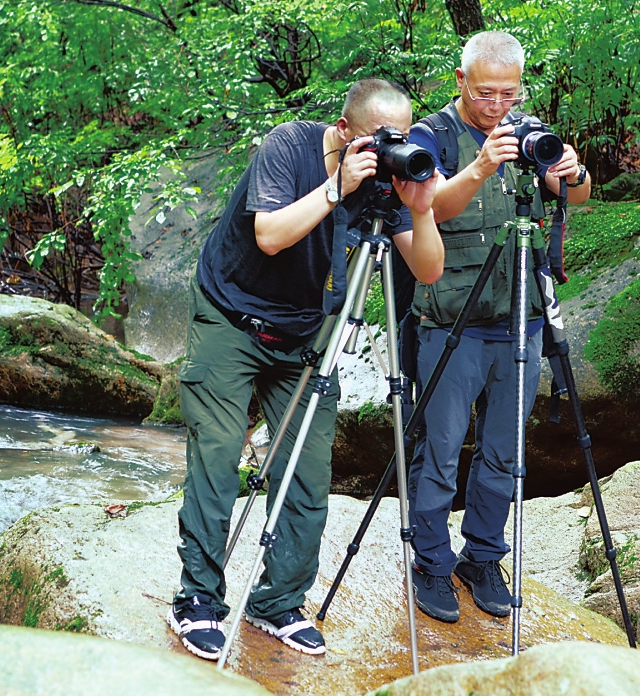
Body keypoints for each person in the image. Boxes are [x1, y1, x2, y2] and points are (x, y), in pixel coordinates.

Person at [167, 79, 444, 660]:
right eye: (378, 139)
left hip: (305, 333)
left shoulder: (385, 183)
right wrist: (335, 188)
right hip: (230, 318)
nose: (389, 150)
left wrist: (421, 212)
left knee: (308, 472)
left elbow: (428, 270)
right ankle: (197, 601)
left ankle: (277, 603)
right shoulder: (288, 147)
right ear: (344, 131)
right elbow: (268, 235)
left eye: (400, 138)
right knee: (218, 457)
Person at [402, 31, 591, 623]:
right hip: (451, 323)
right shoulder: (430, 138)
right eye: (487, 93)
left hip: (521, 322)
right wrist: (483, 165)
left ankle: (481, 557)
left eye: (510, 94)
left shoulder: (526, 129)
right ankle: (430, 562)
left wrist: (573, 169)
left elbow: (578, 197)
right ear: (461, 81)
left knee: (505, 453)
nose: (499, 106)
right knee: (439, 450)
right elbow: (428, 207)